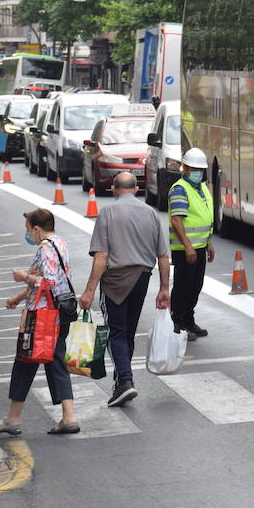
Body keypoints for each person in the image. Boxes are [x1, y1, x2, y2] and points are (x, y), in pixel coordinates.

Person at [0, 209, 79, 436]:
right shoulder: (60, 243)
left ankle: (13, 419)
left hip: (42, 318)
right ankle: (68, 417)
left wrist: (23, 276)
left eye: (27, 229)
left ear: (37, 229)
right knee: (54, 361)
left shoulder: (45, 248)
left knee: (25, 363)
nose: (27, 234)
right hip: (58, 314)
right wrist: (18, 298)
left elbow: (49, 282)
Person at [79, 171, 171, 407]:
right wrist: (164, 288)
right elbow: (163, 256)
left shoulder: (108, 212)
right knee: (127, 331)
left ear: (113, 189)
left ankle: (126, 381)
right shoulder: (150, 213)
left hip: (116, 281)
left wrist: (89, 290)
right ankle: (121, 382)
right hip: (142, 277)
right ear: (136, 189)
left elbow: (101, 256)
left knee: (115, 332)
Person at [168, 149, 215, 340]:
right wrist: (188, 246)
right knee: (183, 287)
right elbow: (177, 220)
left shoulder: (201, 187)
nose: (198, 172)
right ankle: (177, 324)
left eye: (201, 169)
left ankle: (188, 320)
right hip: (185, 249)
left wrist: (208, 243)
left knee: (195, 286)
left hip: (199, 247)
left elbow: (204, 216)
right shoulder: (180, 189)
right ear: (185, 168)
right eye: (194, 169)